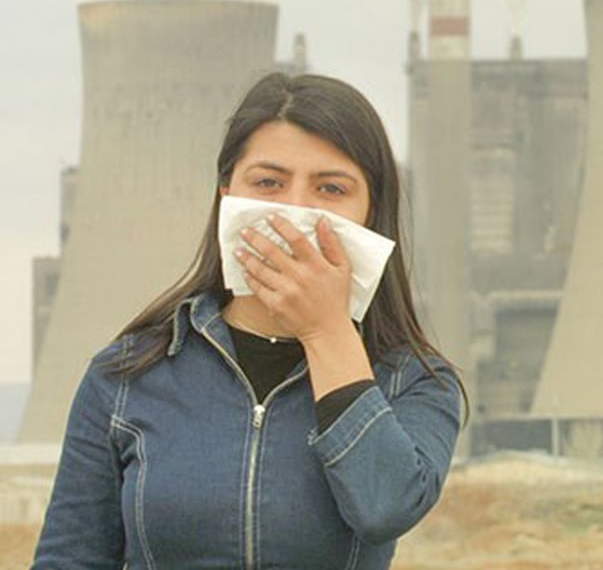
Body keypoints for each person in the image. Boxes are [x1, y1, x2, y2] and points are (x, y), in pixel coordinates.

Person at [33, 73, 465, 569]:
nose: (296, 210)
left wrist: (326, 332)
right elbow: (69, 559)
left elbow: (385, 507)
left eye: (331, 188)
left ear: (370, 210)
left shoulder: (412, 381)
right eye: (268, 183)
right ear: (226, 193)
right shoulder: (128, 376)